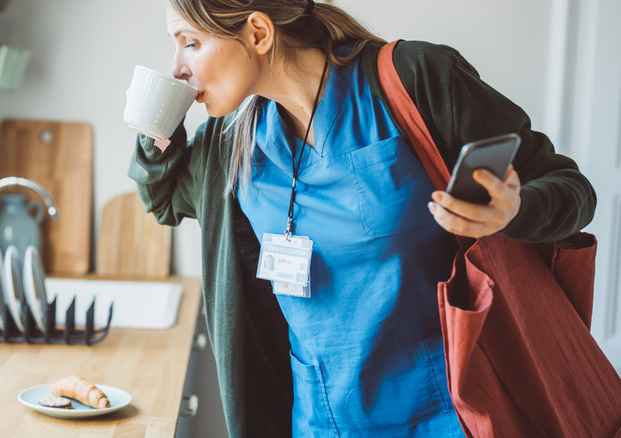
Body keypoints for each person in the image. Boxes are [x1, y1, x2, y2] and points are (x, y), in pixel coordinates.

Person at [127, 0, 597, 436]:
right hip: (319, 421)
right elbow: (165, 201)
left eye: (190, 42)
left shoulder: (415, 80)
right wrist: (157, 123)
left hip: (450, 416)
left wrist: (513, 211)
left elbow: (571, 190)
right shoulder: (234, 140)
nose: (177, 68)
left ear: (257, 32)